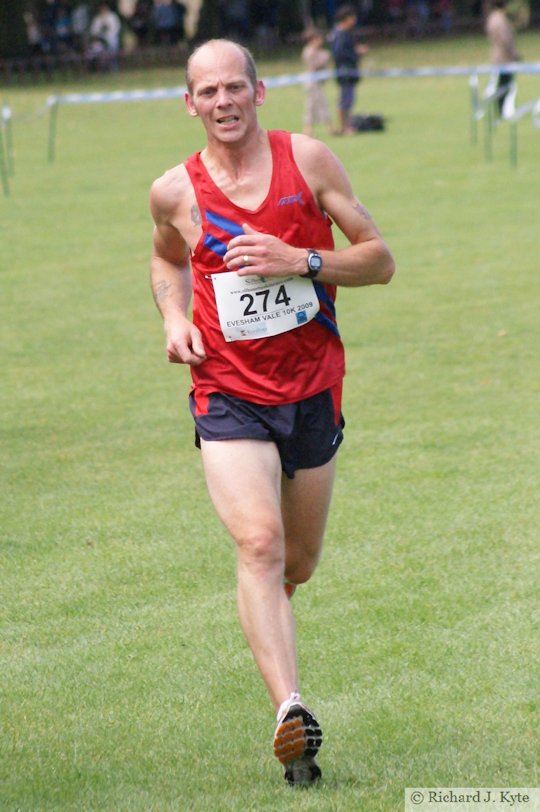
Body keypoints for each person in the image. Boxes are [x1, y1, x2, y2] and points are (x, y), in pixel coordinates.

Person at [149, 38, 394, 786]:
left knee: (296, 562)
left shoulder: (309, 161)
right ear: (189, 104)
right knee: (258, 543)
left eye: (234, 88)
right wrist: (173, 319)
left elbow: (379, 259)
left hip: (313, 388)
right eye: (207, 92)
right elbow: (164, 258)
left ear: (260, 92)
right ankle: (292, 717)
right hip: (227, 392)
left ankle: (273, 620)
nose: (223, 102)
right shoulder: (174, 193)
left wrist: (303, 260)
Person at [330, 4, 369, 134]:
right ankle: (345, 127)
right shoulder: (340, 34)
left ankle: (347, 125)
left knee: (349, 99)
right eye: (353, 17)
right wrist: (356, 52)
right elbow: (338, 53)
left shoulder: (343, 33)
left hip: (349, 72)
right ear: (346, 18)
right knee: (345, 100)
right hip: (345, 72)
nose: (354, 20)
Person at [485, 0, 520, 116]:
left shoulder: (492, 18)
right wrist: (514, 54)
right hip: (505, 57)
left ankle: (500, 108)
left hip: (496, 55)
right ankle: (504, 110)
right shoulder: (501, 19)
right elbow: (506, 40)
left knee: (500, 83)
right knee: (506, 84)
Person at [301, 27, 336, 138]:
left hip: (317, 83)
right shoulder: (309, 51)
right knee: (319, 105)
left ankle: (308, 129)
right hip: (312, 83)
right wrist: (325, 58)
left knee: (313, 106)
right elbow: (315, 65)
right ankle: (329, 128)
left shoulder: (317, 51)